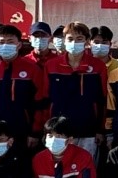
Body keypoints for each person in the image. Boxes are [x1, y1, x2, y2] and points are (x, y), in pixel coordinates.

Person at [44, 21, 108, 160]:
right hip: (58, 133)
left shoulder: (98, 66)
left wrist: (100, 130)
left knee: (86, 169)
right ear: (64, 40)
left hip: (88, 131)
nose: (74, 43)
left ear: (87, 41)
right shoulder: (51, 65)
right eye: (70, 39)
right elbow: (45, 99)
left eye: (79, 39)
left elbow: (102, 100)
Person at [0, 23, 47, 148]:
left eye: (10, 42)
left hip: (22, 133)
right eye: (1, 42)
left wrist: (35, 132)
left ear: (19, 44)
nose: (5, 45)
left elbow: (40, 104)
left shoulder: (33, 69)